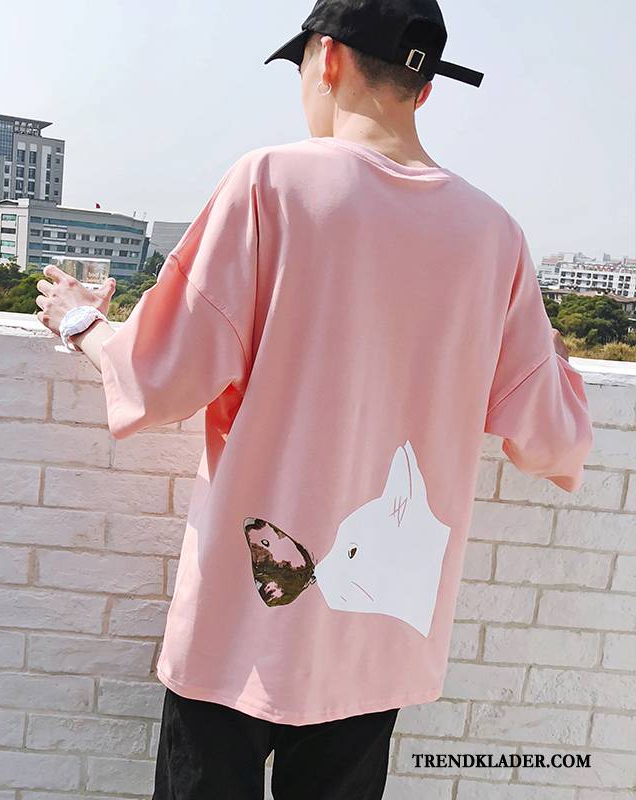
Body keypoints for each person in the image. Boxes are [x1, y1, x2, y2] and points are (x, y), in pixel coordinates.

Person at [35, 1, 594, 797]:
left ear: (326, 58)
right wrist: (557, 360)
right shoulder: (494, 235)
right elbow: (553, 438)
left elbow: (161, 376)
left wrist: (84, 323)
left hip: (241, 626)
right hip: (374, 644)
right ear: (424, 88)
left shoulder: (271, 182)